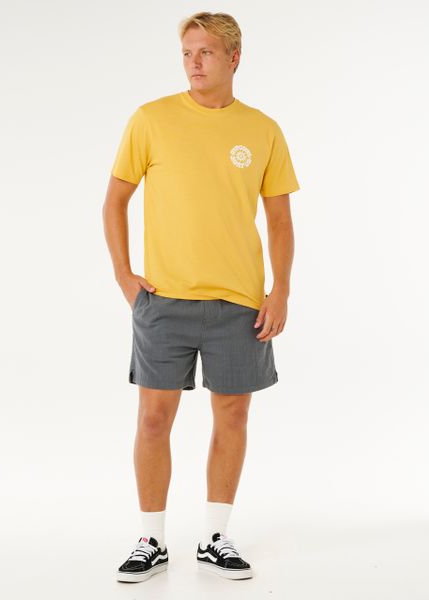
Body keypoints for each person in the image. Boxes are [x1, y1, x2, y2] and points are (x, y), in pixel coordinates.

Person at [103, 11, 300, 583]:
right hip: (163, 301)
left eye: (206, 52)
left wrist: (281, 290)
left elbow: (280, 220)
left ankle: (215, 536)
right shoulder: (151, 119)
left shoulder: (262, 129)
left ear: (234, 57)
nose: (194, 62)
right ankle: (151, 540)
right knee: (152, 420)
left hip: (239, 304)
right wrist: (124, 275)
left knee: (232, 415)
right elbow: (115, 201)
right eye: (187, 52)